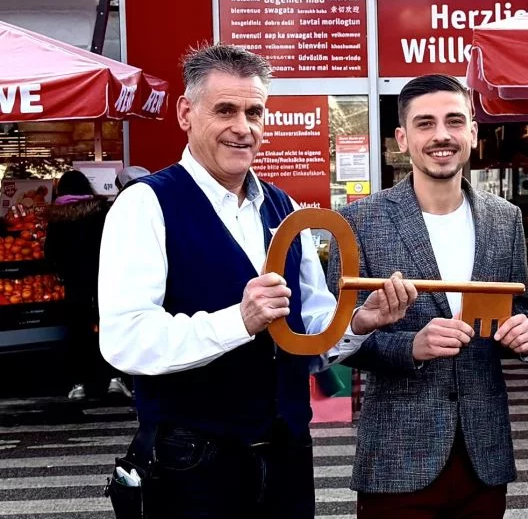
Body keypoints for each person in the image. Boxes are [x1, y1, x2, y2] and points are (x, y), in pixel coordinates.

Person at [97, 43, 417, 519]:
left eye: (255, 112)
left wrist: (358, 321)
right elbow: (125, 341)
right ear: (186, 112)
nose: (243, 128)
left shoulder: (283, 208)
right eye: (225, 110)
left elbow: (310, 335)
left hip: (286, 453)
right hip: (192, 464)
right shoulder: (146, 205)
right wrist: (239, 321)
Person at [328, 74, 528, 518]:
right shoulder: (358, 222)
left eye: (454, 121)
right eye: (425, 124)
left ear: (473, 133)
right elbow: (337, 339)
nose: (441, 135)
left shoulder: (505, 219)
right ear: (402, 139)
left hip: (483, 459)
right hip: (397, 459)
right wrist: (411, 346)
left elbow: (522, 311)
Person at [43, 170, 130, 400]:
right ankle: (114, 379)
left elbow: (50, 252)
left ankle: (78, 385)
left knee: (77, 331)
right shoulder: (101, 210)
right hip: (104, 279)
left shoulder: (57, 215)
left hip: (74, 282)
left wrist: (61, 271)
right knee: (110, 328)